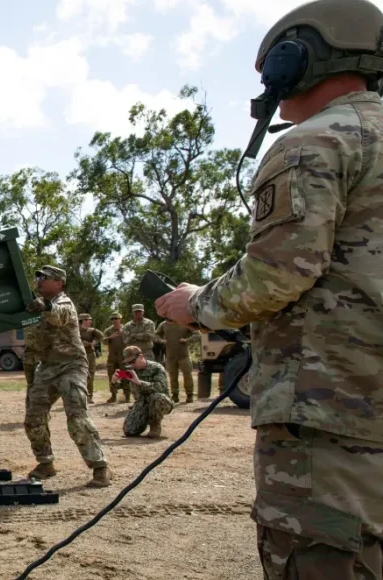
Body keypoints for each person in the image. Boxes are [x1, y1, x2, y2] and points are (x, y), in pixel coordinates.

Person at [155, 1, 383, 576]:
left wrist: (197, 305)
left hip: (332, 418)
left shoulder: (315, 142)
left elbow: (278, 273)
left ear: (294, 59)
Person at [22, 265, 110, 488]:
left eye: (45, 278)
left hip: (71, 365)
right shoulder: (34, 305)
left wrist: (45, 306)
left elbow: (58, 315)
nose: (39, 281)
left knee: (77, 416)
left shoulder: (63, 302)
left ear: (59, 283)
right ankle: (45, 463)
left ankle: (100, 467)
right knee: (33, 417)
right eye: (38, 277)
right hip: (47, 367)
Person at [118, 346, 173, 439]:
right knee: (129, 431)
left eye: (132, 361)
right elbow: (123, 386)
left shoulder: (156, 368)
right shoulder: (131, 371)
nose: (131, 364)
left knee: (156, 397)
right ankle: (144, 419)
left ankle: (155, 424)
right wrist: (114, 381)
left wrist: (139, 382)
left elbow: (160, 387)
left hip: (161, 402)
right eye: (128, 363)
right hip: (142, 403)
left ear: (141, 357)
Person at [155, 320, 196, 403]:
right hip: (170, 356)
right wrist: (161, 340)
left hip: (183, 355)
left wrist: (187, 340)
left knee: (187, 374)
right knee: (172, 376)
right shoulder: (164, 324)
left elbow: (197, 334)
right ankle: (175, 395)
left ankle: (189, 395)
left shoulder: (184, 322)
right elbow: (155, 335)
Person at [78, 313, 105, 404]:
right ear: (84, 320)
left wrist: (93, 342)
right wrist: (81, 343)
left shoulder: (92, 330)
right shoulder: (76, 330)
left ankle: (89, 396)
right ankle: (80, 395)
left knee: (91, 374)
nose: (91, 321)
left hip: (90, 354)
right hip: (79, 355)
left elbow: (102, 337)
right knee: (79, 375)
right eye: (89, 320)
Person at [102, 313, 129, 403]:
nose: (114, 320)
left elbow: (131, 340)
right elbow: (103, 341)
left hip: (124, 356)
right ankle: (113, 395)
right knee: (111, 375)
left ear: (120, 319)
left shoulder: (126, 329)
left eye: (116, 318)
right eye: (112, 319)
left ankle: (127, 395)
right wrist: (110, 337)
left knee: (124, 374)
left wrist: (123, 334)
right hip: (112, 356)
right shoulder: (108, 330)